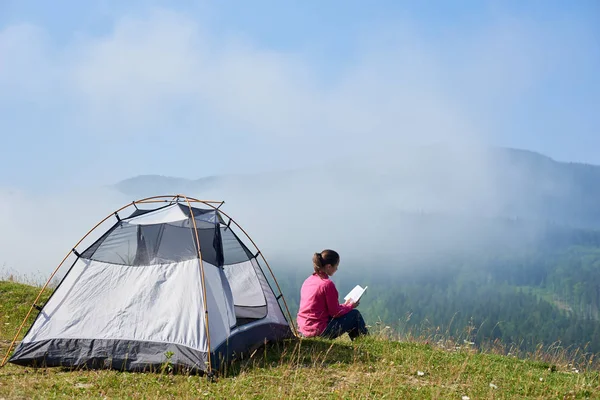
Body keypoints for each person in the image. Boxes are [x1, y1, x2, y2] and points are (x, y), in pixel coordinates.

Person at [296, 249, 368, 340]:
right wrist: (350, 306)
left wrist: (345, 305)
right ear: (329, 266)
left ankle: (360, 345)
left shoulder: (308, 280)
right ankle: (364, 344)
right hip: (319, 330)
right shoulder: (327, 284)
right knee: (354, 315)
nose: (336, 269)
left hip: (303, 329)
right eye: (336, 266)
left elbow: (324, 309)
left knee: (349, 313)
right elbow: (335, 313)